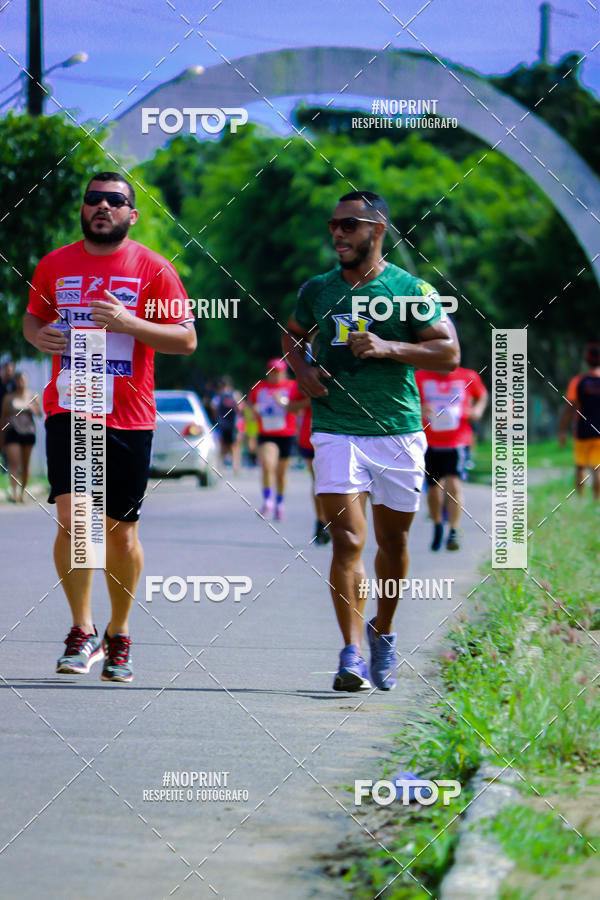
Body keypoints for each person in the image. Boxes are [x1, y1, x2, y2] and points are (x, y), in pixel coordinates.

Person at [282, 190, 459, 692]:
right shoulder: (317, 289)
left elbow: (448, 351)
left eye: (348, 225)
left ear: (377, 230)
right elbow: (293, 334)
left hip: (397, 431)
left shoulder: (410, 288)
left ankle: (383, 629)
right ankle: (352, 651)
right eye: (332, 225)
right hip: (336, 428)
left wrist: (389, 346)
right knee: (348, 540)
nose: (337, 233)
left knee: (394, 541)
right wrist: (301, 369)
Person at [23, 171, 196, 682]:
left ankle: (118, 633)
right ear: (83, 209)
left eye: (114, 201)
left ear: (131, 214)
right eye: (93, 199)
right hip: (70, 406)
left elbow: (185, 340)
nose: (102, 207)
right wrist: (39, 337)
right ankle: (81, 630)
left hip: (127, 414)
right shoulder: (55, 265)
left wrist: (128, 324)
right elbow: (33, 319)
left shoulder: (154, 269)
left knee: (119, 536)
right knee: (76, 520)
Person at [415, 362, 488, 551]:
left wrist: (477, 411)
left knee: (454, 486)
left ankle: (454, 531)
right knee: (433, 490)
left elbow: (482, 396)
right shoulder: (420, 376)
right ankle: (438, 525)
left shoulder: (468, 376)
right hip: (429, 441)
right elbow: (409, 400)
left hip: (458, 441)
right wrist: (421, 410)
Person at [249, 359, 298, 520]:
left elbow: (298, 408)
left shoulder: (291, 386)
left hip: (287, 433)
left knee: (281, 473)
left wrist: (283, 402)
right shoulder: (259, 387)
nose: (275, 375)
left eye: (278, 372)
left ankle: (280, 502)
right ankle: (268, 500)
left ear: (284, 373)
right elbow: (251, 406)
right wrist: (254, 411)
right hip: (267, 433)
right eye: (272, 372)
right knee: (268, 465)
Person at [559, 342, 600, 501]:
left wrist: (562, 431)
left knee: (580, 466)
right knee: (597, 467)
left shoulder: (578, 381)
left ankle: (581, 500)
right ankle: (597, 501)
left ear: (587, 360)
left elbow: (568, 409)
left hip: (582, 430)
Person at [289, 396, 331, 545]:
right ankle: (321, 522)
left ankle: (336, 521)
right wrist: (312, 399)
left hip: (341, 436)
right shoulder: (307, 372)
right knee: (318, 480)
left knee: (334, 481)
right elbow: (290, 407)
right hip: (310, 437)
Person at [0, 371, 41, 502]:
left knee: (25, 465)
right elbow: (3, 416)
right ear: (15, 382)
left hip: (28, 432)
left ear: (27, 381)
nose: (21, 383)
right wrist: (1, 435)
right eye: (18, 380)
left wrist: (32, 408)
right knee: (14, 463)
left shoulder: (33, 396)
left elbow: (40, 414)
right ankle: (13, 492)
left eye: (23, 380)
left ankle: (22, 492)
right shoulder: (9, 397)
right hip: (12, 431)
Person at [213, 376, 243, 474]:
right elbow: (214, 409)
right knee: (223, 446)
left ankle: (236, 467)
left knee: (235, 446)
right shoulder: (218, 397)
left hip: (234, 425)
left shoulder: (235, 394)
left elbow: (241, 408)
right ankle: (220, 467)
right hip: (223, 425)